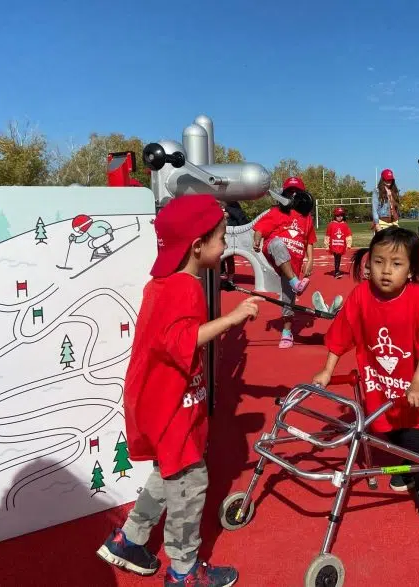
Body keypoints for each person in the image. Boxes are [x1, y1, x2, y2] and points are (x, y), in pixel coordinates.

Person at [96, 194, 261, 586]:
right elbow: (179, 341)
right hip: (173, 409)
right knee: (190, 486)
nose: (225, 246)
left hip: (166, 403)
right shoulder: (183, 288)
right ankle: (184, 572)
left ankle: (129, 541)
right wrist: (234, 317)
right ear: (197, 245)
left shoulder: (162, 284)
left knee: (167, 475)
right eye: (221, 238)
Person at [312, 227, 419, 522]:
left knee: (413, 438)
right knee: (387, 432)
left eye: (396, 264)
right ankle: (407, 469)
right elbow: (341, 334)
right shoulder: (361, 295)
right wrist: (326, 371)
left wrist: (417, 384)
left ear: (411, 270)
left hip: (411, 386)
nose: (386, 271)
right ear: (368, 263)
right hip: (378, 383)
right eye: (378, 262)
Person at [252, 176, 316, 349]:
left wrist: (310, 260)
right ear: (284, 194)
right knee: (278, 243)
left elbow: (309, 241)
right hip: (273, 251)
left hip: (292, 264)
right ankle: (296, 282)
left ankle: (287, 332)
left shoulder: (307, 218)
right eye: (290, 192)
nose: (293, 195)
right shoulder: (276, 212)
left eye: (296, 192)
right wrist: (257, 239)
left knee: (288, 299)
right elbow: (260, 228)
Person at [221, 201, 249, 278]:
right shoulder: (221, 207)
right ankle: (223, 273)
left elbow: (240, 217)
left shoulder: (233, 206)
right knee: (221, 256)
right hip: (222, 234)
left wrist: (228, 213)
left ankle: (230, 277)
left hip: (231, 235)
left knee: (229, 257)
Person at [324, 206, 352, 279]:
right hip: (334, 245)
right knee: (337, 257)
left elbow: (348, 235)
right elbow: (327, 236)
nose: (340, 217)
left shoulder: (345, 225)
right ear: (335, 216)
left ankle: (337, 270)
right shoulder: (331, 225)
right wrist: (327, 245)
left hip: (341, 245)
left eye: (341, 215)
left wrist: (349, 244)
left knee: (338, 258)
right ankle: (336, 272)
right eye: (338, 216)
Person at [371, 168, 400, 232]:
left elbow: (396, 208)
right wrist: (377, 224)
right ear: (382, 179)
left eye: (390, 179)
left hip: (394, 223)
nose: (389, 181)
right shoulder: (377, 191)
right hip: (382, 223)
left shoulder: (395, 191)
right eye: (387, 179)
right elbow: (374, 209)